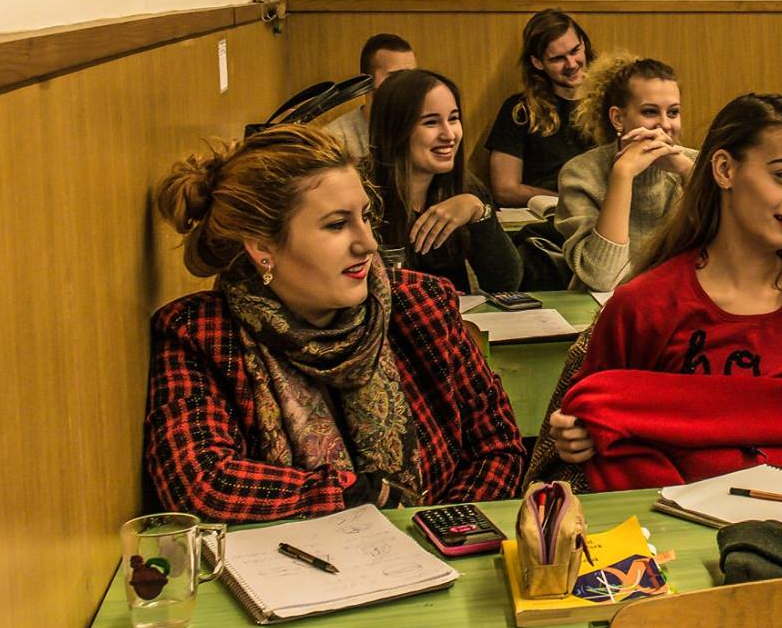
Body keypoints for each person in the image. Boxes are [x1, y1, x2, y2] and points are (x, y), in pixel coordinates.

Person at [145, 124, 525, 523]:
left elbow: (497, 446)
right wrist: (357, 494)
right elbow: (201, 482)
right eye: (336, 225)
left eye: (365, 216)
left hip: (438, 550)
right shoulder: (201, 333)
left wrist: (441, 529)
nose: (368, 243)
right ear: (262, 247)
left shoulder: (421, 304)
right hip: (301, 561)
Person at [537, 93, 782, 490]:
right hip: (672, 515)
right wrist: (578, 435)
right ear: (725, 169)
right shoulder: (646, 304)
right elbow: (596, 412)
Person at [367, 69, 523, 295]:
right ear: (395, 128)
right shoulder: (362, 192)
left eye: (453, 118)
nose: (449, 134)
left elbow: (506, 283)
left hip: (453, 316)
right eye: (431, 122)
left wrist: (479, 213)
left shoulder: (467, 188)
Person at [553, 52, 695, 291]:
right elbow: (602, 278)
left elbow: (729, 256)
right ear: (618, 118)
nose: (665, 124)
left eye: (673, 112)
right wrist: (623, 175)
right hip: (602, 307)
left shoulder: (694, 164)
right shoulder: (581, 173)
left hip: (677, 303)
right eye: (650, 112)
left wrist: (686, 171)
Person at [485, 10, 599, 207]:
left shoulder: (612, 102)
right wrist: (568, 201)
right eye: (557, 58)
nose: (571, 64)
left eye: (575, 51)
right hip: (546, 214)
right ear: (537, 62)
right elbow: (505, 189)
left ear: (584, 44)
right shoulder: (519, 110)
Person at [326, 33, 418, 160]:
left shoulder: (422, 129)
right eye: (395, 76)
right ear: (366, 82)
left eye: (411, 76)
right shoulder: (335, 139)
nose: (407, 84)